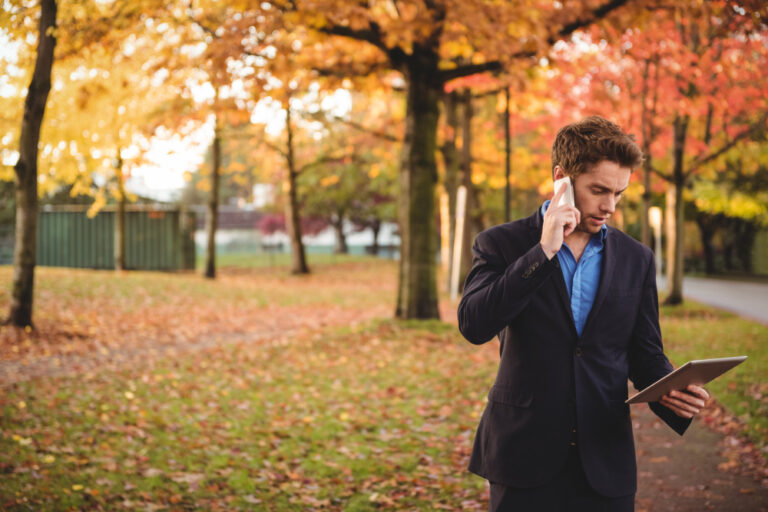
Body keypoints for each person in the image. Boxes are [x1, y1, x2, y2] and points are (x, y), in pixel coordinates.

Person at [457, 116, 709, 512]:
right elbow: (474, 324)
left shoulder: (636, 258)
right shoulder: (500, 243)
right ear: (562, 178)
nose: (610, 205)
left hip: (605, 459)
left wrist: (672, 391)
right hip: (522, 455)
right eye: (599, 190)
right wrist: (542, 251)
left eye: (619, 193)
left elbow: (644, 354)